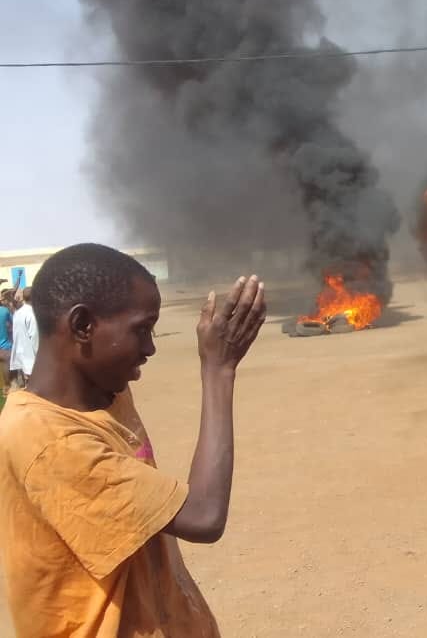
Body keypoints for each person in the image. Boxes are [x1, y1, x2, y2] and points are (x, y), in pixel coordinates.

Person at [0, 243, 267, 637]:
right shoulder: (45, 440)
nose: (150, 347)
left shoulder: (104, 396)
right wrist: (219, 369)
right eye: (141, 329)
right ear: (82, 326)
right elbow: (203, 516)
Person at [9, 287, 38, 389]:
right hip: (30, 355)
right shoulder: (31, 313)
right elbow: (34, 337)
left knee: (28, 385)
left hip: (21, 352)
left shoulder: (18, 312)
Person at [0, 290, 12, 394]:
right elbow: (12, 323)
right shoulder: (4, 310)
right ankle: (6, 387)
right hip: (4, 345)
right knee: (5, 365)